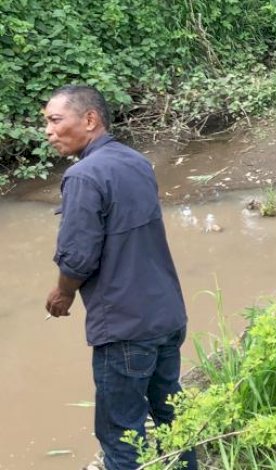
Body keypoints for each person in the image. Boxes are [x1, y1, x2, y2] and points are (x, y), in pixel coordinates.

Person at [42, 85, 197, 470]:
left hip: (126, 327)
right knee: (171, 417)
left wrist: (62, 294)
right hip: (166, 314)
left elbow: (78, 257)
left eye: (55, 120)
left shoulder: (83, 176)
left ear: (90, 119)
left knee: (121, 433)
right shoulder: (135, 161)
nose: (48, 130)